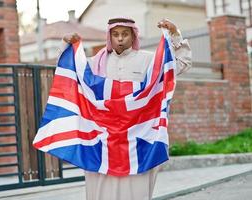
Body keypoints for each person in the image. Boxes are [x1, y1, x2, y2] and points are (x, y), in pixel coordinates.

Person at [61, 17, 192, 200]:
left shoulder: (148, 60)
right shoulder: (94, 63)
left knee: (136, 189)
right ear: (109, 37)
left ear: (133, 36)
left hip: (138, 140)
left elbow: (180, 64)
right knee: (101, 188)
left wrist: (176, 34)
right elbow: (69, 72)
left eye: (125, 34)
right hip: (103, 141)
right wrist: (68, 45)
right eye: (115, 34)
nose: (120, 38)